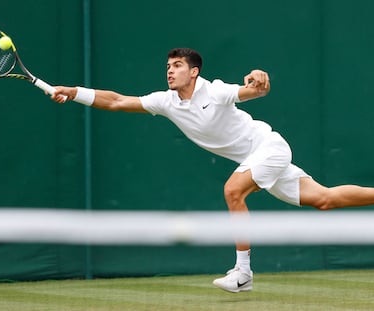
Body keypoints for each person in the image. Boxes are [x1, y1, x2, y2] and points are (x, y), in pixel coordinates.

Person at [51, 48, 374, 293]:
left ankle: (243, 272)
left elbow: (253, 91)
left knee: (233, 191)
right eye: (168, 66)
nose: (170, 71)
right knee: (325, 199)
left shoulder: (215, 90)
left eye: (177, 66)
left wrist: (259, 80)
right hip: (255, 159)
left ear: (194, 72)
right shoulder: (166, 102)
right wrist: (73, 91)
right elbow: (117, 101)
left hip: (269, 148)